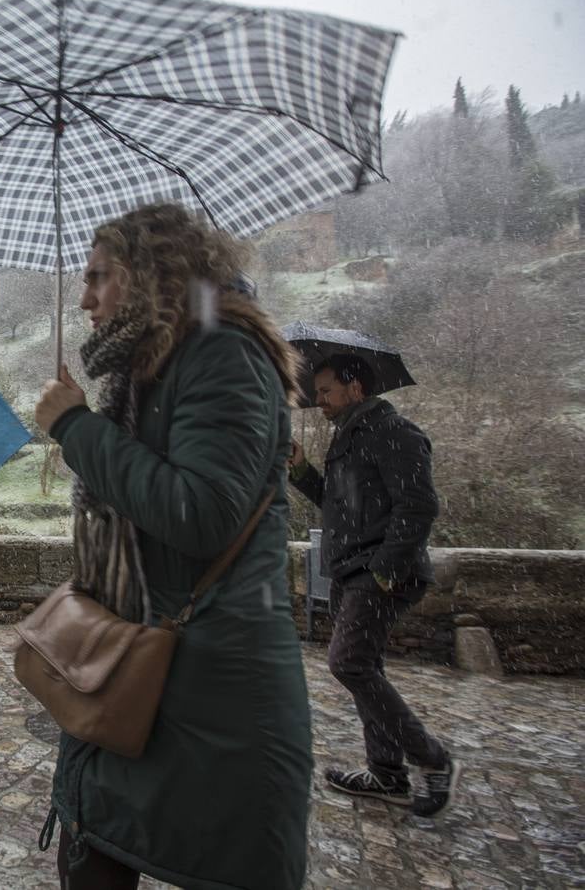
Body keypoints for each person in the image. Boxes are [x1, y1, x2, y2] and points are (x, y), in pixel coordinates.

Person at [34, 203, 312, 890]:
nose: (84, 297)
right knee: (93, 857)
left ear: (151, 273)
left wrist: (75, 427)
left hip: (214, 696)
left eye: (100, 277)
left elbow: (201, 512)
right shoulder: (145, 370)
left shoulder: (224, 353)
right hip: (136, 671)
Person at [289, 353, 459, 817]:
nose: (318, 400)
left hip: (378, 573)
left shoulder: (394, 433)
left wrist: (386, 570)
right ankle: (386, 774)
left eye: (325, 391)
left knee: (349, 664)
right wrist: (303, 471)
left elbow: (419, 507)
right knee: (366, 666)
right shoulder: (350, 437)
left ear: (356, 388)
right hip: (351, 569)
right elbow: (338, 505)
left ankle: (433, 759)